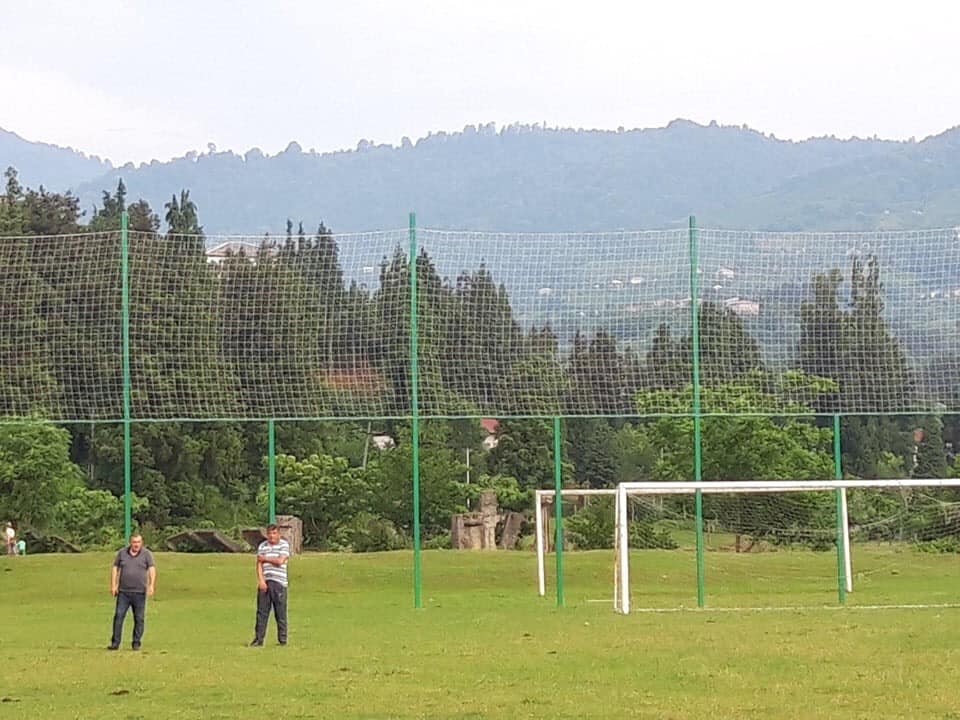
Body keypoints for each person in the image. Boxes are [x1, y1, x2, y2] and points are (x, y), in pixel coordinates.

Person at [108, 533, 156, 651]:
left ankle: (136, 642)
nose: (136, 545)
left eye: (138, 542)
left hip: (139, 592)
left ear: (142, 543)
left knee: (139, 618)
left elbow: (152, 569)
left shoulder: (146, 554)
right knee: (119, 616)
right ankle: (115, 642)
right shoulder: (122, 553)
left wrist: (151, 585)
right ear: (130, 543)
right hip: (124, 592)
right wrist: (113, 585)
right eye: (134, 542)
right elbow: (115, 568)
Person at [250, 524, 290, 646]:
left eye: (274, 533)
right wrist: (261, 581)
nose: (271, 536)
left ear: (278, 534)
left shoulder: (283, 545)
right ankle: (258, 639)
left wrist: (265, 559)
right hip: (266, 581)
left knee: (280, 613)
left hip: (279, 582)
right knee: (261, 613)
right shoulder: (263, 546)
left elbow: (280, 561)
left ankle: (282, 639)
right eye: (269, 534)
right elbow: (258, 564)